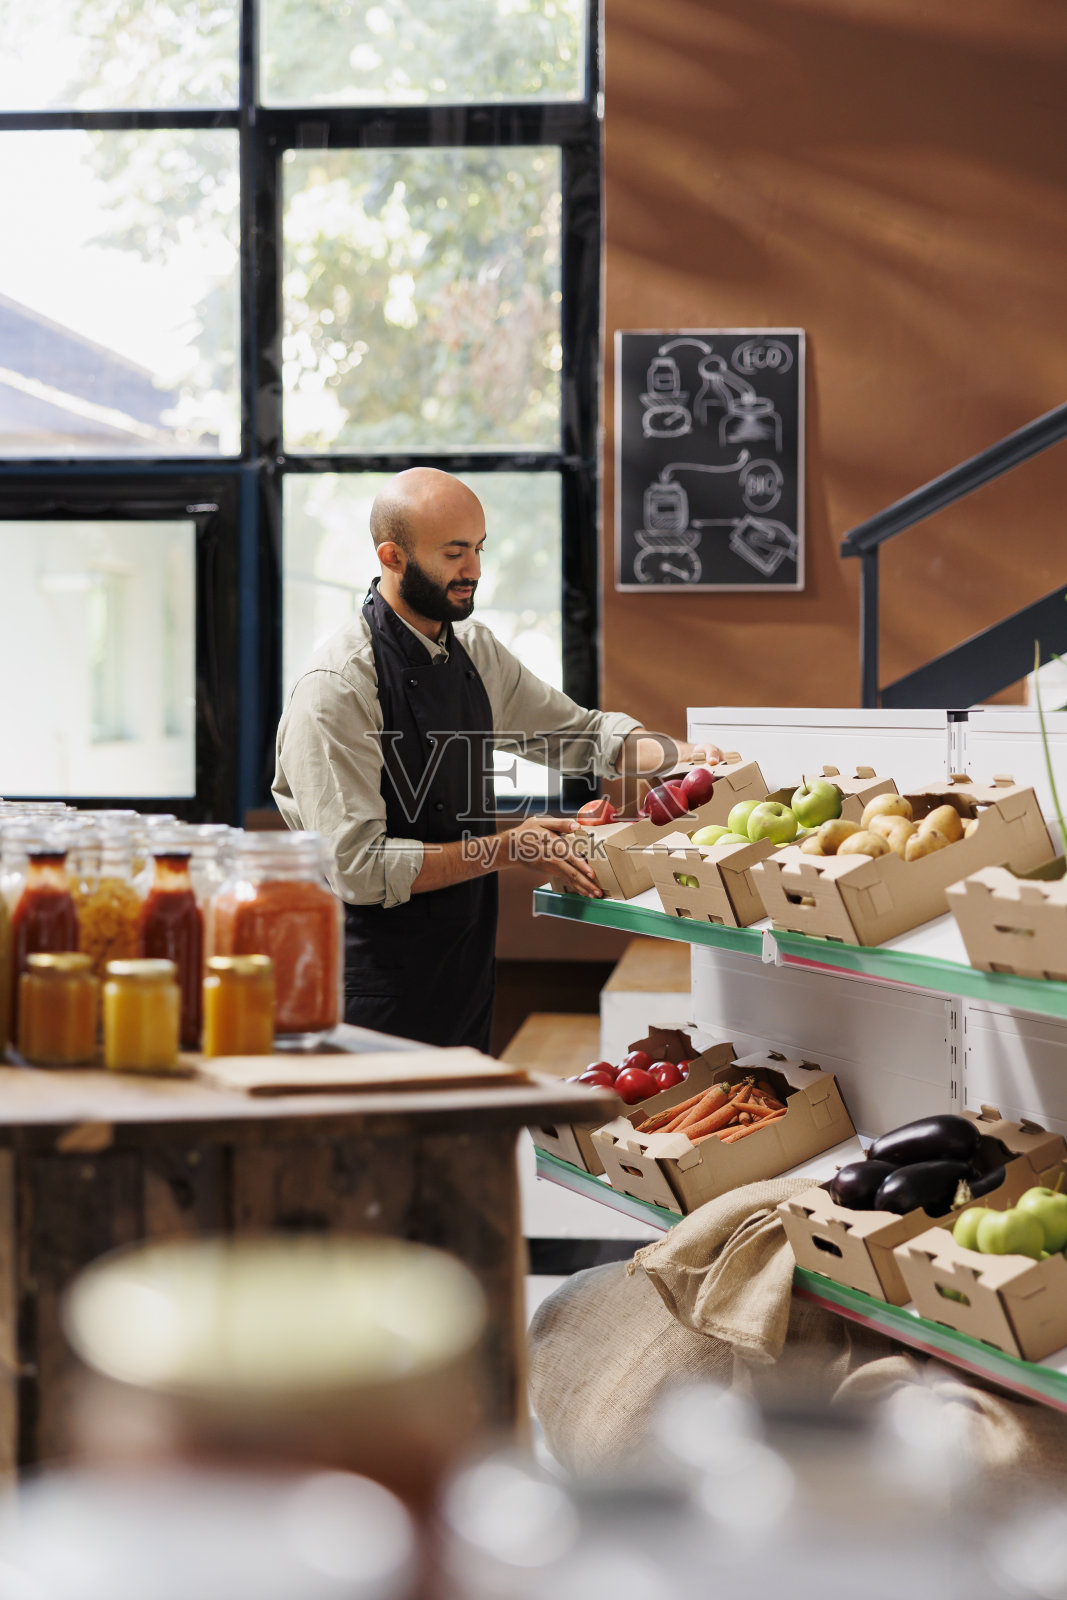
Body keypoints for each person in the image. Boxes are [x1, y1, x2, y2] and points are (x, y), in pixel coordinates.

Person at [274, 468, 721, 1052]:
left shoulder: (474, 652)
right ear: (393, 555)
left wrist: (679, 757)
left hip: (463, 974)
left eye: (479, 549)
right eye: (454, 553)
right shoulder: (337, 687)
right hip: (363, 993)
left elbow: (580, 735)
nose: (475, 571)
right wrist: (509, 847)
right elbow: (359, 868)